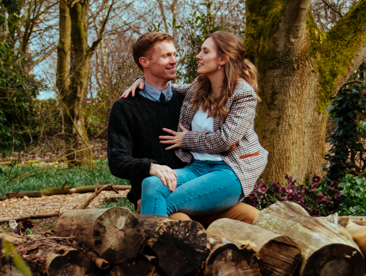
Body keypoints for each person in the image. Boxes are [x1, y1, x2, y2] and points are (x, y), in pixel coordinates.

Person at [134, 31, 268, 217]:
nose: (198, 56)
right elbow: (169, 88)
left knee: (164, 200)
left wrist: (186, 139)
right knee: (150, 183)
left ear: (222, 59)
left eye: (205, 51)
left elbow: (225, 140)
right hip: (197, 167)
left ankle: (149, 245)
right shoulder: (200, 86)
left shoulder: (243, 94)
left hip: (230, 170)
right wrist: (142, 80)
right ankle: (151, 241)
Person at [106, 32, 187, 211]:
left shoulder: (186, 101)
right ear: (145, 62)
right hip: (154, 199)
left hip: (196, 192)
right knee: (185, 231)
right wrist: (151, 167)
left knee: (252, 219)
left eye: (174, 54)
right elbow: (117, 161)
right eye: (166, 55)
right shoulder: (125, 107)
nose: (174, 60)